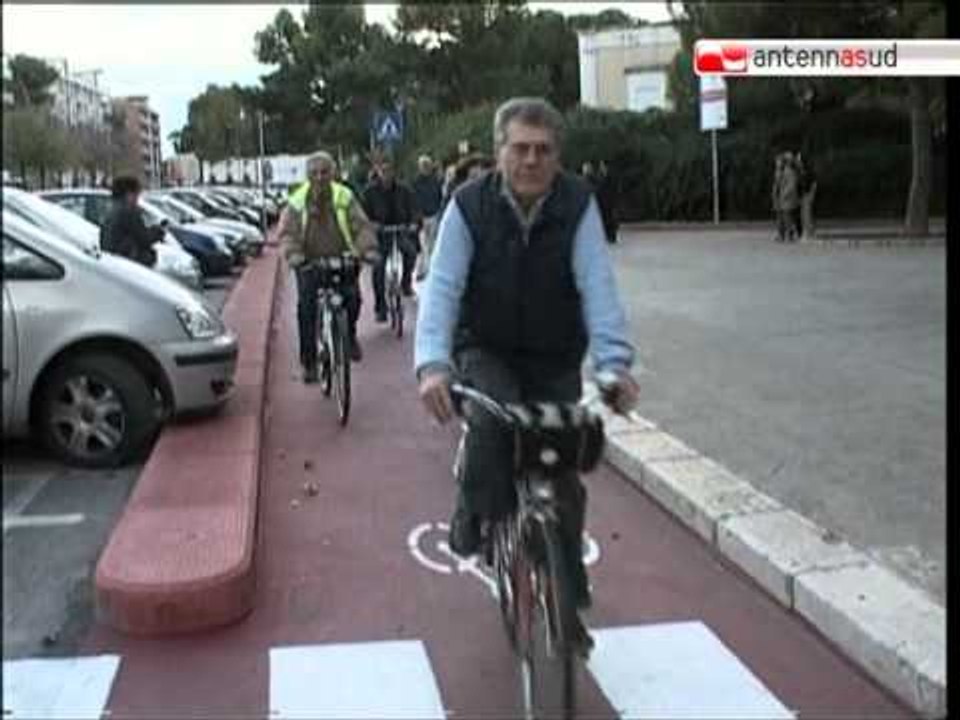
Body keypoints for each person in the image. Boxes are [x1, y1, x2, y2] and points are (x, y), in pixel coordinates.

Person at [415, 97, 640, 611]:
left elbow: (598, 286)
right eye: (520, 148)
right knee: (493, 426)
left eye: (543, 150)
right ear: (499, 152)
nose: (532, 160)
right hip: (484, 346)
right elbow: (443, 288)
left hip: (554, 355)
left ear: (558, 155)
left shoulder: (578, 204)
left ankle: (567, 586)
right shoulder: (468, 206)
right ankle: (474, 514)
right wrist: (432, 365)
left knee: (564, 475)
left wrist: (613, 365)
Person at [278, 151, 377, 381]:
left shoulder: (344, 196)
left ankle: (349, 336)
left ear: (333, 173)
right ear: (308, 176)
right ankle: (309, 363)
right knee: (306, 308)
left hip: (342, 258)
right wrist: (294, 255)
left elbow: (361, 226)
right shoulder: (297, 201)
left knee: (353, 298)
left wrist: (367, 249)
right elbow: (288, 233)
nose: (320, 177)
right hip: (308, 261)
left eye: (324, 172)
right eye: (314, 173)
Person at [361, 157, 421, 318]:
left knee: (411, 252)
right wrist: (372, 224)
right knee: (378, 266)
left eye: (389, 171)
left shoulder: (404, 190)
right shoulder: (370, 191)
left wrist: (414, 223)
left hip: (401, 229)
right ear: (378, 172)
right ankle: (381, 306)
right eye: (383, 171)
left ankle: (406, 283)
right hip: (380, 234)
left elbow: (414, 208)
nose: (387, 175)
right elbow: (363, 214)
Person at [100, 175, 158, 267]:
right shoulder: (128, 211)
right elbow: (143, 238)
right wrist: (156, 232)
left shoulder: (111, 210)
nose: (137, 199)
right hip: (128, 263)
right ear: (129, 194)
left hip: (111, 261)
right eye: (137, 194)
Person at [411, 155, 444, 282]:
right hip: (422, 217)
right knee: (423, 244)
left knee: (433, 244)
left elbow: (439, 196)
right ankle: (423, 269)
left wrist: (439, 211)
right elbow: (414, 200)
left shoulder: (435, 181)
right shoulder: (416, 182)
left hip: (433, 215)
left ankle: (431, 268)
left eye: (427, 165)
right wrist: (417, 215)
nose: (425, 168)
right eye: (423, 166)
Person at [773, 152, 801, 242]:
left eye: (779, 161)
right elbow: (777, 183)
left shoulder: (790, 172)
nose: (778, 163)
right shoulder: (781, 172)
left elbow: (792, 185)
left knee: (787, 217)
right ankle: (781, 234)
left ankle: (789, 234)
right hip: (781, 198)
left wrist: (784, 194)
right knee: (780, 217)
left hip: (788, 198)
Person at [796, 152, 817, 242]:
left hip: (807, 194)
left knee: (807, 215)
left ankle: (809, 233)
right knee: (803, 215)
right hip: (802, 195)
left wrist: (812, 194)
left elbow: (814, 183)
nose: (797, 161)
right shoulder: (799, 171)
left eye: (798, 159)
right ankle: (807, 233)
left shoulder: (808, 171)